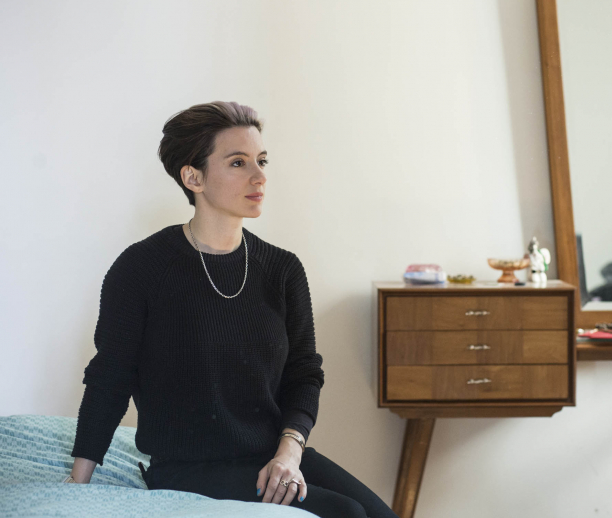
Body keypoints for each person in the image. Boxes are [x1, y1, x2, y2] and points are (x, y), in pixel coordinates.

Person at [66, 101, 399, 518]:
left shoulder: (282, 269)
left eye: (262, 161)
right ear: (193, 177)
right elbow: (110, 377)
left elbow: (304, 372)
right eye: (238, 163)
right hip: (189, 469)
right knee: (344, 513)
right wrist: (77, 482)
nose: (259, 176)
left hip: (275, 454)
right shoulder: (141, 268)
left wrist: (290, 451)